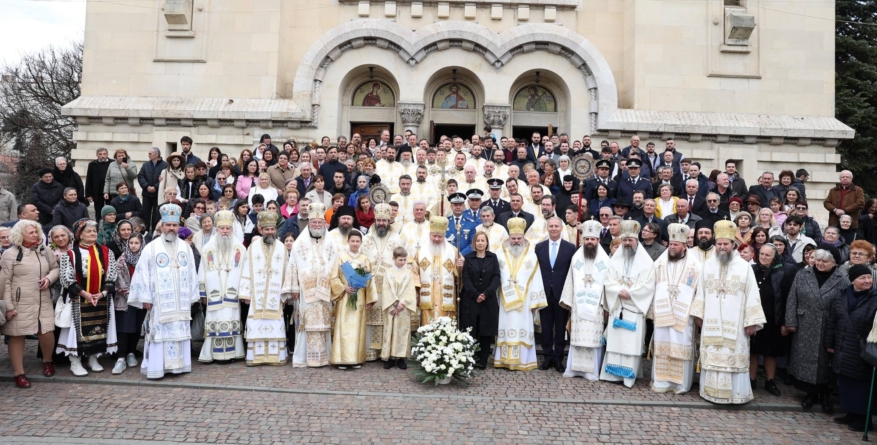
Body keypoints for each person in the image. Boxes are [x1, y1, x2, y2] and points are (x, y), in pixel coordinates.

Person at [691, 220, 766, 405]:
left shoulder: (745, 266)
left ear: (733, 245)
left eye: (726, 244)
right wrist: (699, 314)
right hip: (711, 320)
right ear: (715, 244)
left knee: (734, 357)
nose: (722, 247)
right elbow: (700, 291)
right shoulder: (707, 265)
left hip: (737, 323)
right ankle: (709, 392)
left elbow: (752, 294)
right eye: (719, 244)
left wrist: (751, 321)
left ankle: (737, 395)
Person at [128, 204, 200, 379]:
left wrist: (192, 296)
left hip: (181, 302)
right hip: (159, 302)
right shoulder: (150, 248)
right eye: (168, 225)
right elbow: (142, 273)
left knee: (179, 332)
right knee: (160, 333)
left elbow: (192, 273)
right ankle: (157, 367)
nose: (171, 228)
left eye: (174, 225)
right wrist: (145, 297)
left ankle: (179, 366)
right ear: (161, 226)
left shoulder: (185, 247)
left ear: (178, 226)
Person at [785, 248, 848, 412]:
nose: (820, 263)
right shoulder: (802, 274)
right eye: (818, 260)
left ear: (833, 263)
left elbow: (845, 303)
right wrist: (790, 321)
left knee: (825, 361)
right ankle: (810, 392)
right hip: (805, 323)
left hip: (829, 324)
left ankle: (825, 393)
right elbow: (792, 298)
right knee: (806, 359)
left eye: (824, 261)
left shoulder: (841, 279)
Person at [0, 220, 60, 388]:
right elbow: (5, 281)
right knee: (17, 335)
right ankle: (19, 373)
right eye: (31, 232)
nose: (35, 235)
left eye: (36, 232)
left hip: (43, 299)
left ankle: (47, 361)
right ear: (21, 234)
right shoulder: (10, 254)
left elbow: (55, 268)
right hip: (19, 301)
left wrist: (49, 278)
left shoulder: (45, 251)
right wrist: (9, 306)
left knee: (47, 332)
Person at [56, 219, 119, 376]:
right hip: (79, 298)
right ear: (80, 235)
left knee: (99, 328)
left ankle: (93, 357)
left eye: (94, 231)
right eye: (89, 231)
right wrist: (84, 294)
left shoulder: (106, 251)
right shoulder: (69, 254)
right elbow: (66, 278)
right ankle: (75, 361)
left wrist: (102, 293)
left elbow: (112, 275)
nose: (93, 233)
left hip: (101, 298)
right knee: (76, 330)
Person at [600, 220, 656, 387]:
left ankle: (628, 377)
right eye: (624, 240)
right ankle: (612, 375)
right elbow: (608, 280)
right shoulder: (614, 261)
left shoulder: (647, 262)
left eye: (630, 240)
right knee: (616, 342)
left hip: (634, 307)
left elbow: (649, 285)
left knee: (631, 345)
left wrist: (630, 293)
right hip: (618, 306)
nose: (626, 243)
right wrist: (618, 290)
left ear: (637, 241)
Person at [649, 223, 702, 394]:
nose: (672, 247)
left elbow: (699, 290)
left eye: (676, 245)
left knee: (681, 344)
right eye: (671, 244)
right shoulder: (660, 263)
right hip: (663, 313)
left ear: (684, 246)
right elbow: (652, 285)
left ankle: (680, 384)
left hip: (683, 315)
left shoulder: (695, 265)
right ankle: (662, 381)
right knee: (663, 345)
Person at [284, 203, 337, 367]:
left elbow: (335, 263)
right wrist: (294, 289)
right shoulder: (299, 243)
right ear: (309, 223)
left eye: (319, 223)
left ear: (324, 224)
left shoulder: (331, 242)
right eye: (313, 223)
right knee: (307, 323)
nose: (316, 225)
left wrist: (326, 277)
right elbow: (292, 265)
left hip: (325, 289)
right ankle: (305, 358)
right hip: (306, 290)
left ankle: (325, 356)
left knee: (324, 322)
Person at [826, 265, 877, 432]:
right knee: (846, 381)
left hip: (864, 348)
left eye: (869, 277)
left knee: (862, 383)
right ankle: (852, 413)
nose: (868, 280)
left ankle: (864, 419)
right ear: (853, 280)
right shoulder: (841, 296)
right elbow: (832, 321)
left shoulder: (875, 298)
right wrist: (829, 342)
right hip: (843, 345)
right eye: (863, 278)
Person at [493, 217, 547, 370]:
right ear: (509, 238)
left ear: (524, 238)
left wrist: (536, 302)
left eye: (519, 238)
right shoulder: (500, 254)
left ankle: (524, 360)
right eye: (513, 238)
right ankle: (503, 360)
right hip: (505, 300)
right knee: (505, 326)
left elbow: (536, 279)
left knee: (522, 326)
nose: (516, 241)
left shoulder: (531, 255)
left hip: (525, 302)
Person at [560, 220, 610, 380]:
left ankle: (591, 371)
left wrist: (605, 305)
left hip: (596, 307)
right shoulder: (577, 257)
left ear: (598, 240)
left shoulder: (604, 260)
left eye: (592, 239)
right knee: (578, 337)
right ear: (583, 240)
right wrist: (568, 301)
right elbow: (570, 279)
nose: (589, 242)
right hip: (578, 305)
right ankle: (575, 369)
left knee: (592, 339)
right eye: (587, 239)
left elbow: (607, 285)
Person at [239, 211, 289, 366]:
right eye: (266, 229)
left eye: (272, 229)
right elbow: (246, 268)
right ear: (260, 229)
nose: (270, 232)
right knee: (257, 323)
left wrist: (286, 293)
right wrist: (245, 293)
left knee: (275, 324)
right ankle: (256, 357)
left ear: (275, 229)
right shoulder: (252, 248)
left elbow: (287, 271)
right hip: (256, 296)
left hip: (275, 295)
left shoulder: (282, 248)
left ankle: (276, 357)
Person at [196, 210, 246, 364]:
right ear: (216, 229)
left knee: (232, 319)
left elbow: (245, 272)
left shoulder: (240, 249)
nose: (225, 231)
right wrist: (203, 294)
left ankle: (233, 353)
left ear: (232, 229)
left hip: (233, 293)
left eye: (228, 228)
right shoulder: (207, 249)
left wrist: (244, 292)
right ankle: (212, 354)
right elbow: (202, 272)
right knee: (214, 320)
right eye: (222, 228)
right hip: (214, 294)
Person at [361, 204, 406, 362]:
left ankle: (385, 351)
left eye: (384, 220)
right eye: (379, 220)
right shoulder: (366, 238)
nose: (381, 223)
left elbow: (402, 262)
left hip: (389, 286)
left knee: (387, 319)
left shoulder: (397, 238)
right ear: (375, 219)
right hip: (371, 286)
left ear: (389, 220)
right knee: (371, 320)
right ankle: (370, 352)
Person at [328, 229, 376, 369]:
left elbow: (369, 280)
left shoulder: (364, 259)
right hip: (345, 298)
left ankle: (356, 358)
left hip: (359, 297)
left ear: (361, 242)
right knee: (343, 327)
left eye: (357, 241)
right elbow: (334, 277)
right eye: (352, 241)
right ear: (348, 241)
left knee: (357, 328)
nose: (355, 244)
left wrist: (370, 299)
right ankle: (341, 359)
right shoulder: (341, 257)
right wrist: (344, 287)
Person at [534, 217, 576, 372]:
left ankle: (558, 359)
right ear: (547, 228)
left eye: (556, 226)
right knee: (545, 328)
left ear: (561, 228)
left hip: (562, 294)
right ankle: (547, 357)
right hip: (544, 293)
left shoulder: (570, 248)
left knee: (560, 328)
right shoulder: (539, 247)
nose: (553, 229)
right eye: (551, 226)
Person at [749, 244, 787, 397]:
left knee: (771, 351)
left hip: (772, 318)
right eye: (762, 254)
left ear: (774, 257)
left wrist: (784, 321)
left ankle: (770, 380)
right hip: (753, 317)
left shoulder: (782, 272)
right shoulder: (752, 270)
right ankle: (751, 379)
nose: (764, 257)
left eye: (768, 255)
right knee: (753, 349)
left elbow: (785, 298)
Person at [459, 232, 500, 370]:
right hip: (471, 299)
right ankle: (471, 357)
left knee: (485, 330)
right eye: (478, 241)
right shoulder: (469, 258)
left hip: (488, 300)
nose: (480, 243)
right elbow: (466, 278)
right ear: (474, 243)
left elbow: (496, 277)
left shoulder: (493, 258)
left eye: (483, 241)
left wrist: (486, 293)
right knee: (471, 329)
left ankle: (483, 359)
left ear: (487, 243)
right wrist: (476, 294)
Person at [111, 233, 147, 374]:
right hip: (125, 300)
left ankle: (131, 352)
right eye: (131, 243)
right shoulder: (122, 260)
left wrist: (142, 295)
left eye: (136, 243)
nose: (133, 245)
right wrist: (130, 294)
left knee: (137, 327)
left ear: (141, 244)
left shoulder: (145, 259)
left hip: (141, 299)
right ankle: (121, 357)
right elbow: (119, 281)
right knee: (125, 328)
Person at [416, 216, 461, 326]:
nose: (436, 239)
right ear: (429, 235)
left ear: (444, 236)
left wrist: (461, 267)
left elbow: (460, 277)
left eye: (439, 236)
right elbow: (414, 273)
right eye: (434, 236)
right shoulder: (420, 252)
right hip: (427, 298)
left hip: (445, 299)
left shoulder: (453, 251)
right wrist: (416, 292)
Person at [380, 246, 419, 369]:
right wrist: (395, 304)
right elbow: (386, 289)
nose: (403, 262)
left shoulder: (408, 273)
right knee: (390, 331)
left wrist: (402, 303)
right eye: (400, 260)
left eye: (404, 260)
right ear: (394, 258)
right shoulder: (388, 272)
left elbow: (410, 290)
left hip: (403, 308)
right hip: (391, 307)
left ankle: (401, 357)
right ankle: (390, 357)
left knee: (402, 331)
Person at [137, 147, 168, 232]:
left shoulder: (165, 165)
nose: (148, 155)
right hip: (146, 194)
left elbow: (164, 179)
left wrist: (156, 187)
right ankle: (145, 232)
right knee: (145, 214)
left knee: (156, 215)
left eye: (150, 154)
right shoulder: (145, 164)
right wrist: (147, 186)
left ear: (156, 154)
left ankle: (155, 232)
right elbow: (140, 176)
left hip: (158, 194)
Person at [85, 148, 112, 218]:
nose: (102, 156)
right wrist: (88, 194)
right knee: (98, 212)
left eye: (104, 154)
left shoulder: (113, 163)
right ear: (97, 155)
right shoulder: (92, 164)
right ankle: (99, 227)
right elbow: (89, 179)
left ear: (107, 154)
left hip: (110, 192)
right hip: (97, 193)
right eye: (100, 154)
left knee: (111, 211)